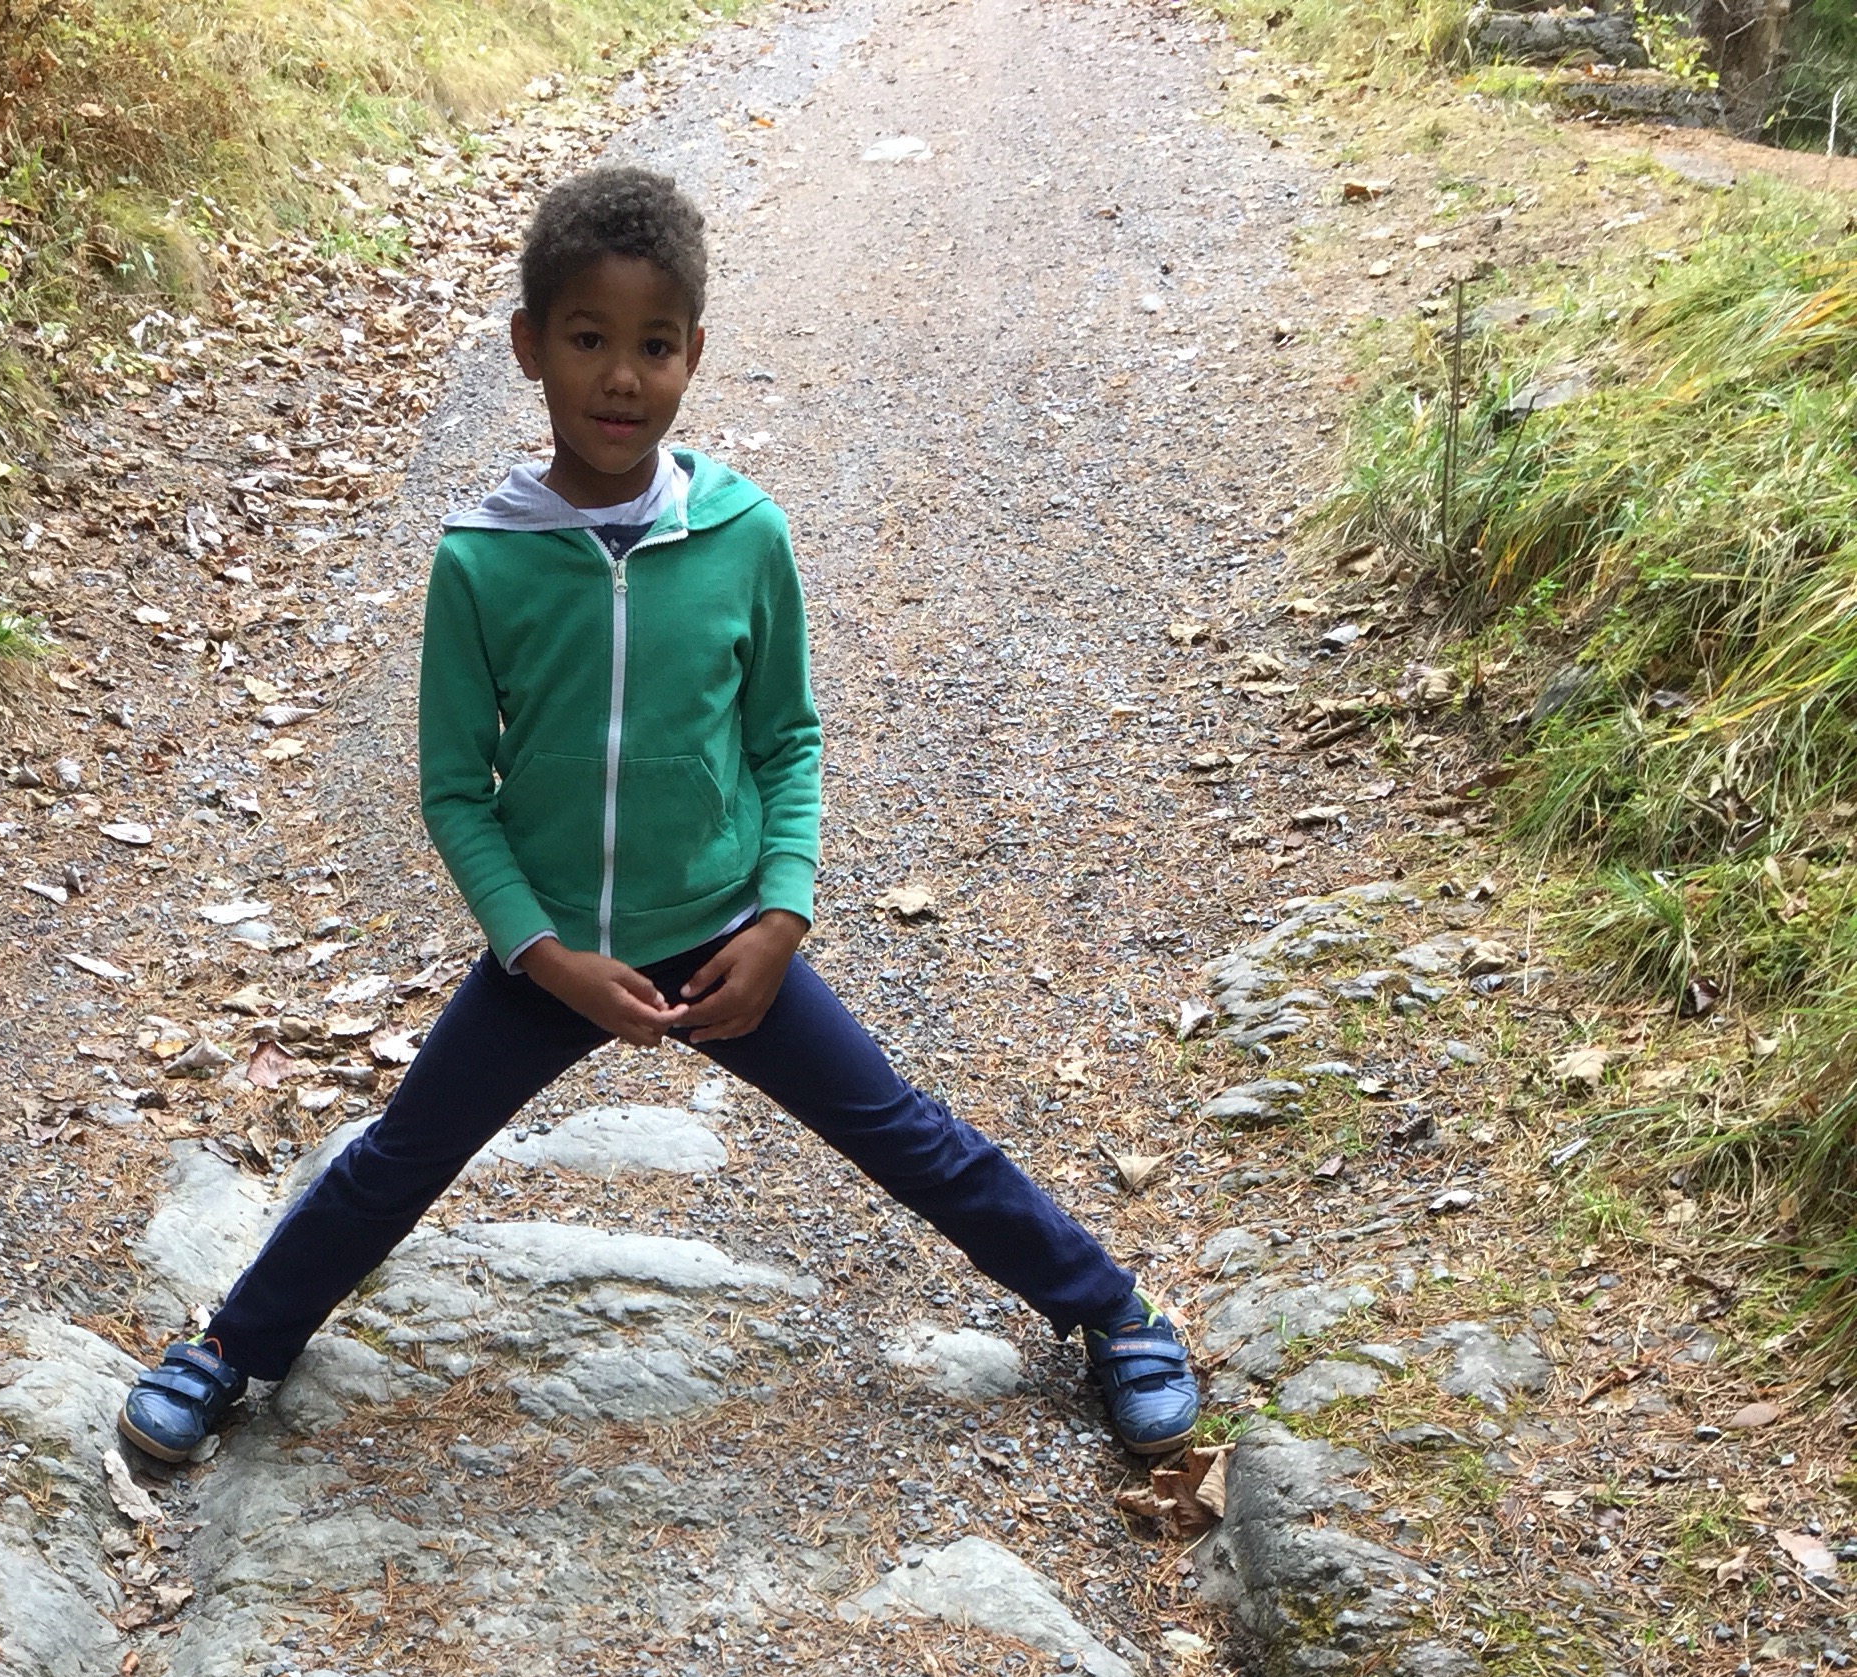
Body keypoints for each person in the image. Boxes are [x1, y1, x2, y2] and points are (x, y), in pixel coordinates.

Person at [118, 165, 1198, 1468]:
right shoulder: (482, 558)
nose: (622, 378)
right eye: (588, 340)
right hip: (552, 956)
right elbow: (456, 790)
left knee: (905, 1133)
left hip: (726, 938)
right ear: (529, 346)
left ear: (693, 354)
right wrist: (542, 954)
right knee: (400, 1155)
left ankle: (1114, 1313)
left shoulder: (745, 536)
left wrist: (782, 915)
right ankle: (231, 1349)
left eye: (655, 345)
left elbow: (786, 740)